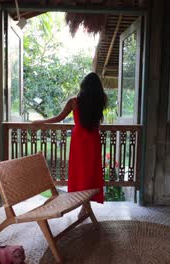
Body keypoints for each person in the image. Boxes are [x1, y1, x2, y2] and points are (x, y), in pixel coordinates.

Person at [32, 72, 107, 214]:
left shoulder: (74, 101)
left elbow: (59, 117)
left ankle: (85, 205)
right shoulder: (101, 99)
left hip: (79, 139)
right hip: (93, 138)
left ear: (83, 86)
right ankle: (86, 205)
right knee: (91, 171)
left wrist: (40, 122)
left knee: (80, 170)